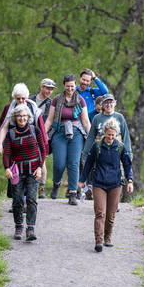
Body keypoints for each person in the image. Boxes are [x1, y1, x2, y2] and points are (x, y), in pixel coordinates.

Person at [78, 118, 133, 253]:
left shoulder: (120, 147)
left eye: (113, 135)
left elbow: (127, 165)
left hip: (115, 184)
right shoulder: (96, 146)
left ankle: (108, 235)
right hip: (99, 184)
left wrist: (130, 181)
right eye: (108, 134)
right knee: (100, 212)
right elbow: (88, 164)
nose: (110, 137)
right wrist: (82, 180)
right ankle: (98, 239)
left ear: (116, 134)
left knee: (111, 214)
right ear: (104, 133)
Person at [44, 74, 91, 205]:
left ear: (75, 85)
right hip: (60, 132)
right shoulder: (57, 99)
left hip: (76, 133)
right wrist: (42, 133)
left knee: (74, 163)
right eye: (67, 86)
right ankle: (56, 184)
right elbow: (49, 119)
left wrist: (92, 138)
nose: (70, 89)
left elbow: (86, 121)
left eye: (72, 86)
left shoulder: (80, 100)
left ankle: (72, 193)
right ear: (64, 85)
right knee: (59, 163)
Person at [4, 105, 47, 241]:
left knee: (31, 199)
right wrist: (7, 168)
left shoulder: (35, 130)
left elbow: (43, 150)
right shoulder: (11, 134)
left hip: (33, 170)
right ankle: (18, 227)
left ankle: (30, 228)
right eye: (19, 116)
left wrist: (40, 167)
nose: (22, 118)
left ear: (28, 117)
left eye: (24, 116)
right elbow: (6, 154)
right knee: (17, 200)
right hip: (17, 171)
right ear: (15, 118)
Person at [81, 94, 132, 201]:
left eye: (111, 102)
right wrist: (85, 155)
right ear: (102, 105)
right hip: (100, 150)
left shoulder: (120, 117)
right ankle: (101, 200)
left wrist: (129, 154)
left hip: (117, 150)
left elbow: (126, 137)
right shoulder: (97, 118)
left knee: (119, 174)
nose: (109, 105)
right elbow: (90, 137)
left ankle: (115, 200)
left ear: (114, 104)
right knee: (99, 173)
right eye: (106, 103)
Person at [0, 83, 47, 153]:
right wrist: (0, 144)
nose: (21, 100)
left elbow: (39, 130)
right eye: (18, 98)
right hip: (14, 144)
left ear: (26, 97)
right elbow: (4, 127)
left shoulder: (33, 108)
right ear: (15, 97)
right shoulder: (9, 108)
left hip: (31, 144)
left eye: (23, 98)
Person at [29, 78, 56, 198]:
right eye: (47, 88)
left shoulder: (52, 104)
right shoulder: (30, 101)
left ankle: (41, 189)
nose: (49, 91)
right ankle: (31, 188)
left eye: (51, 89)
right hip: (29, 136)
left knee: (42, 160)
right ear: (41, 87)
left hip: (44, 137)